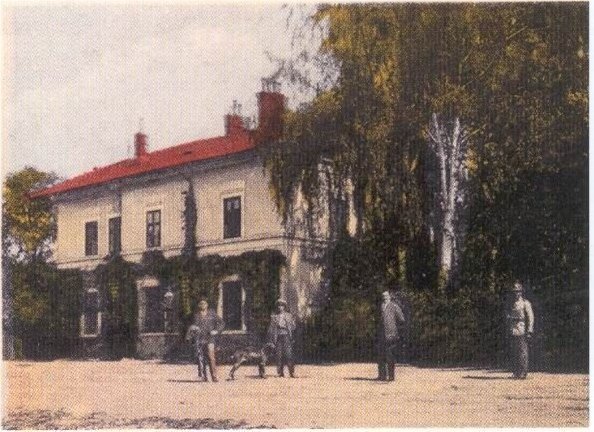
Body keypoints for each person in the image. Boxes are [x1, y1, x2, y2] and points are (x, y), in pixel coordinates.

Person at [185, 299, 225, 382]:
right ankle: (204, 376)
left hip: (210, 339)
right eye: (201, 303)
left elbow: (221, 323)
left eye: (204, 303)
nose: (203, 305)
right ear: (199, 305)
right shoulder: (196, 315)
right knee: (201, 357)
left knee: (211, 356)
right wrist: (193, 329)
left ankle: (214, 376)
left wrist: (216, 331)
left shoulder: (212, 314)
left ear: (207, 305)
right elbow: (191, 327)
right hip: (200, 339)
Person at [505, 281, 534, 379]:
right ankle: (516, 372)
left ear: (521, 292)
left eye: (518, 291)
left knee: (523, 352)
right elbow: (508, 315)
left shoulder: (525, 303)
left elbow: (530, 317)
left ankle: (523, 372)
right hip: (513, 329)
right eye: (514, 291)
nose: (516, 293)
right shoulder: (511, 304)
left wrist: (530, 330)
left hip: (522, 328)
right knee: (514, 351)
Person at [377, 290, 406, 381]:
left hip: (391, 334)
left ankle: (391, 376)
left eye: (386, 296)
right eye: (383, 296)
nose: (384, 297)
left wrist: (395, 329)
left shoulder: (394, 306)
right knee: (381, 356)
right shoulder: (380, 306)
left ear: (389, 296)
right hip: (381, 335)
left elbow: (401, 319)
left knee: (390, 356)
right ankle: (382, 376)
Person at [267, 299, 296, 378]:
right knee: (279, 355)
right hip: (278, 336)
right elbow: (271, 329)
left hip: (286, 336)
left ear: (284, 307)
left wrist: (292, 324)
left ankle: (291, 372)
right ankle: (280, 373)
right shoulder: (274, 316)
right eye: (279, 305)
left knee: (288, 354)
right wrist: (271, 339)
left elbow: (293, 327)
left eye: (282, 305)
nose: (280, 307)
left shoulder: (289, 316)